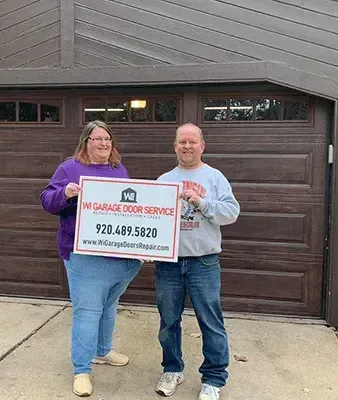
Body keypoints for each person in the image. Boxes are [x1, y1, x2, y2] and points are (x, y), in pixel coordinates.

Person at [40, 120, 142, 397]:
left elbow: (130, 211)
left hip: (118, 255)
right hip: (84, 254)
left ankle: (102, 351)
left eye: (107, 139)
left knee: (109, 306)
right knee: (87, 311)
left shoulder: (118, 169)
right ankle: (81, 370)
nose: (103, 144)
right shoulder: (70, 168)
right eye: (97, 139)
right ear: (86, 142)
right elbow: (47, 200)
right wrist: (65, 193)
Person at [154, 123, 240, 400]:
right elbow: (149, 219)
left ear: (202, 146)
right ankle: (172, 369)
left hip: (204, 262)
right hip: (168, 264)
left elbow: (231, 213)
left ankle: (213, 380)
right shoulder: (163, 180)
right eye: (182, 142)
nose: (187, 147)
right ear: (175, 146)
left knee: (210, 322)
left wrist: (202, 203)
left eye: (192, 142)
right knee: (168, 322)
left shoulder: (214, 178)